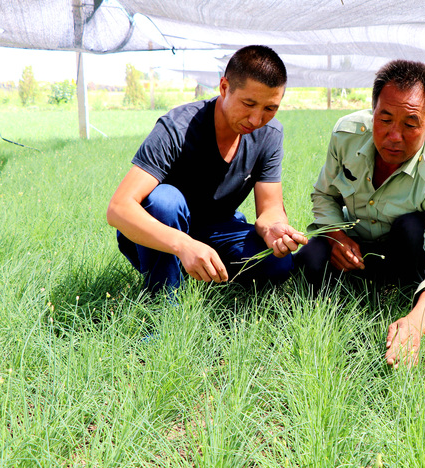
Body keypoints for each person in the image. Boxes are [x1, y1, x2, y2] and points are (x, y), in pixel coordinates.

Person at [295, 59, 425, 367]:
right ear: (373, 110)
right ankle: (352, 288)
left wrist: (416, 324)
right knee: (310, 258)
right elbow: (324, 195)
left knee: (413, 228)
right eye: (385, 119)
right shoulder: (346, 135)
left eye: (410, 123)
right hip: (354, 247)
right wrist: (336, 237)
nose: (394, 136)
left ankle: (403, 293)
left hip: (400, 252)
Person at [107, 45, 306, 294]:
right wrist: (183, 244)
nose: (256, 120)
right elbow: (118, 209)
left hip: (218, 228)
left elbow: (270, 208)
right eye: (248, 103)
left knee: (278, 263)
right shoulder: (177, 128)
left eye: (270, 108)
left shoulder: (269, 135)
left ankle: (197, 276)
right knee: (164, 201)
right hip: (162, 231)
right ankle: (162, 302)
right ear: (224, 87)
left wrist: (272, 227)